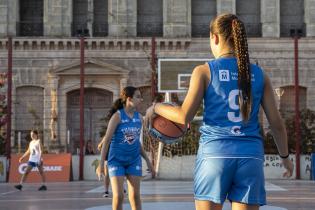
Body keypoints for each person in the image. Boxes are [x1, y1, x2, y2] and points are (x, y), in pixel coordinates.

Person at [145, 13, 294, 210]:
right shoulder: (259, 74)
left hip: (215, 155)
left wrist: (155, 107)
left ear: (214, 38)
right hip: (250, 157)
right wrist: (285, 158)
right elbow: (276, 124)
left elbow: (183, 116)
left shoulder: (204, 71)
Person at [99, 86, 154, 210]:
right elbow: (106, 140)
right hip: (116, 161)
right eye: (138, 96)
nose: (141, 99)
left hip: (133, 160)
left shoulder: (139, 118)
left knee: (135, 196)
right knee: (118, 196)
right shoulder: (117, 116)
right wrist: (101, 164)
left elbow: (136, 142)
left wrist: (148, 162)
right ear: (129, 99)